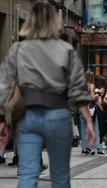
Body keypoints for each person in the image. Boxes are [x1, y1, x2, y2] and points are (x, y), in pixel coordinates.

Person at [0, 1, 95, 188]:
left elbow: (4, 86)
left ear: (30, 21)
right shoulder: (66, 50)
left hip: (27, 116)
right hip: (58, 115)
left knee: (28, 174)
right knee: (60, 176)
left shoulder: (18, 50)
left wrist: (2, 119)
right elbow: (77, 88)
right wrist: (89, 122)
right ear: (55, 21)